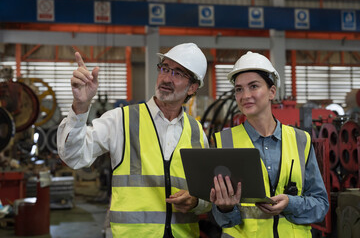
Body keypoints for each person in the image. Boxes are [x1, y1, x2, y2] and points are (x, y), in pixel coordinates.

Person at [57, 43, 211, 238]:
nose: (166, 78)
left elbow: (207, 195)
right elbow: (73, 156)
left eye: (178, 73)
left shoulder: (197, 132)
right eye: (164, 68)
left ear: (193, 87)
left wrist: (196, 201)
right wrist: (80, 106)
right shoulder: (121, 120)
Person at [210, 51, 329, 237]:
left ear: (272, 92)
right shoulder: (224, 142)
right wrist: (224, 208)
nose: (245, 95)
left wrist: (291, 203)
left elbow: (321, 205)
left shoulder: (301, 140)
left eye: (254, 86)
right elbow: (222, 220)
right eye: (239, 89)